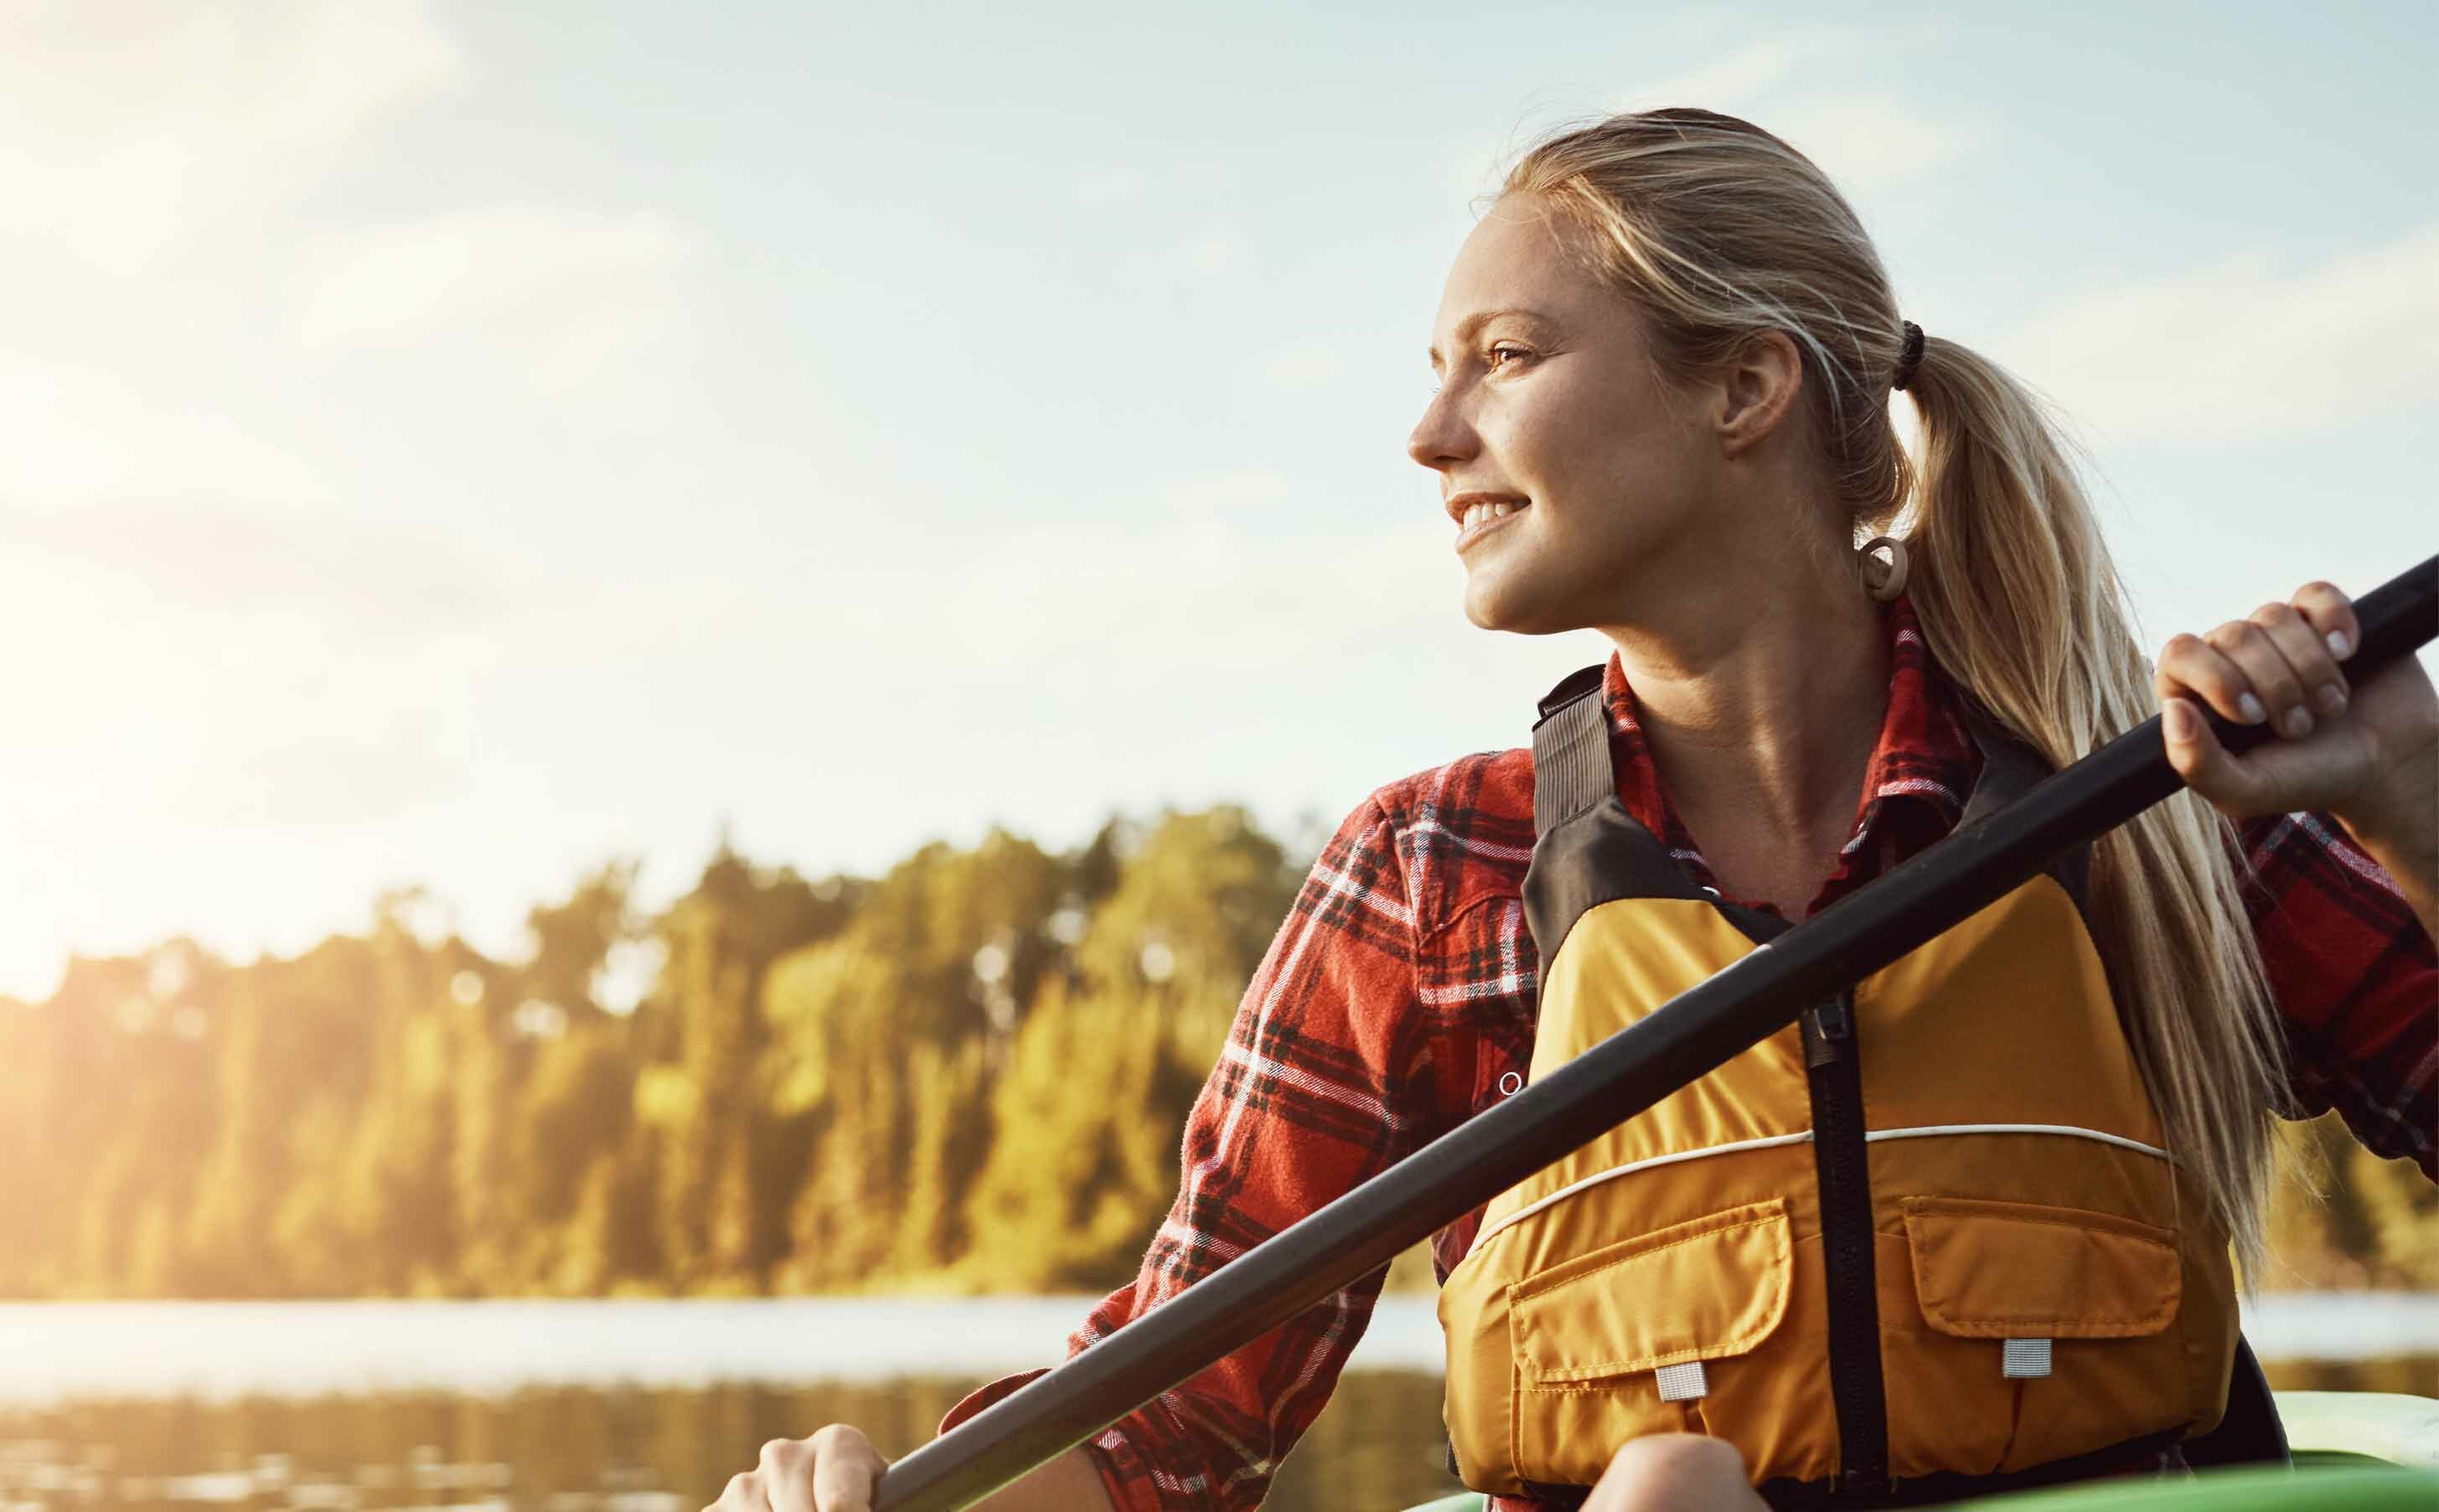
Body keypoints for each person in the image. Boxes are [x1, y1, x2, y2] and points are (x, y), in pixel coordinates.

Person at [705, 107, 2437, 1512]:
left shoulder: (2153, 802)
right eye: (1437, 368)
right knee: (1671, 1490)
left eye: (1504, 357)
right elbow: (1169, 1436)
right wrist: (864, 1504)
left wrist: (2414, 802)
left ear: (1742, 388)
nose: (1426, 434)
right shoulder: (1427, 881)